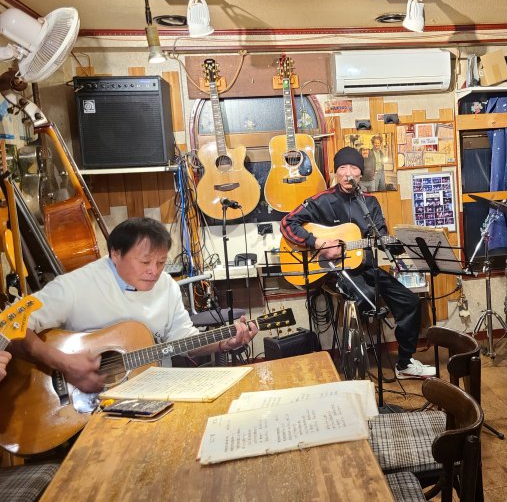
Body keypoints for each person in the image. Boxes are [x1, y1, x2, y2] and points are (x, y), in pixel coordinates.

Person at [13, 217, 257, 394]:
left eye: (161, 262)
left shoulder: (167, 286)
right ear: (115, 254)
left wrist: (224, 342)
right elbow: (11, 326)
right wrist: (63, 363)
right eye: (145, 261)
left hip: (157, 394)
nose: (154, 271)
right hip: (87, 406)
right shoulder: (74, 287)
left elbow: (185, 341)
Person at [280, 146, 435, 379]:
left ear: (360, 173)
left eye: (353, 167)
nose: (347, 173)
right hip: (335, 271)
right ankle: (354, 366)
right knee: (366, 297)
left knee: (410, 301)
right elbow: (287, 223)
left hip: (366, 267)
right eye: (342, 167)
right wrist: (318, 242)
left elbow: (381, 235)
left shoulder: (369, 203)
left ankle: (404, 363)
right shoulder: (322, 200)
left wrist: (398, 243)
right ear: (336, 172)